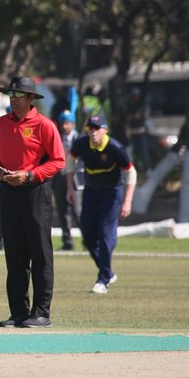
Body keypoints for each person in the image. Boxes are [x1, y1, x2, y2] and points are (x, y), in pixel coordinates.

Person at [0, 76, 65, 328]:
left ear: (31, 98)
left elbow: (58, 161)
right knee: (15, 255)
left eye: (18, 94)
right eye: (11, 94)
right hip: (8, 191)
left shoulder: (45, 125)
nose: (13, 98)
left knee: (40, 254)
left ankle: (41, 312)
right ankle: (19, 312)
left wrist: (30, 174)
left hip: (35, 192)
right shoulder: (1, 124)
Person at [66, 112, 136, 295]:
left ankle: (103, 279)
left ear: (105, 130)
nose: (93, 131)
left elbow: (131, 172)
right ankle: (108, 271)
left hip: (112, 193)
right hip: (91, 191)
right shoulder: (82, 143)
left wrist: (127, 201)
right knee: (88, 236)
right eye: (90, 128)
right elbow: (70, 160)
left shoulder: (115, 148)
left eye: (97, 128)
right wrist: (70, 188)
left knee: (105, 235)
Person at [53, 110, 81, 251]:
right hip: (59, 177)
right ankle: (67, 242)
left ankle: (88, 241)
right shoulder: (57, 138)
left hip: (75, 180)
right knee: (62, 211)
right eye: (62, 123)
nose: (64, 126)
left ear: (73, 124)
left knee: (77, 212)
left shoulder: (80, 139)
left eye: (67, 123)